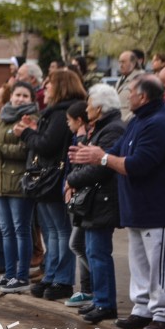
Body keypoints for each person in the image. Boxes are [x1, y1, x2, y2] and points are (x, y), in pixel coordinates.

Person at [69, 74, 165, 329]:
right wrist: (95, 155)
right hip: (137, 208)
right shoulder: (137, 121)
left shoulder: (159, 123)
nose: (127, 96)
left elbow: (136, 164)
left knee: (161, 267)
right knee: (140, 265)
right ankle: (143, 309)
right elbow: (117, 151)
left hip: (161, 211)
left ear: (143, 97)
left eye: (131, 92)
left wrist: (100, 158)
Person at [16, 69, 87, 301]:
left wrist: (27, 134)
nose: (44, 89)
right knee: (52, 232)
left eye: (49, 85)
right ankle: (52, 275)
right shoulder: (55, 112)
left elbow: (48, 144)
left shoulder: (61, 113)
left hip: (54, 178)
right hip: (48, 178)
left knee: (59, 231)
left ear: (60, 87)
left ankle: (62, 279)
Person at [66, 84, 125, 323]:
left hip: (104, 199)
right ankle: (100, 300)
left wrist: (72, 178)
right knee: (92, 250)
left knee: (98, 253)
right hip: (96, 200)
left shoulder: (113, 130)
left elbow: (100, 167)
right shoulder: (103, 128)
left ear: (99, 108)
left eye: (90, 104)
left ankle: (105, 303)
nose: (87, 108)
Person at [0, 81, 38, 293]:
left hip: (19, 182)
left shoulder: (31, 119)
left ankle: (21, 276)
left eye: (25, 96)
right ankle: (9, 273)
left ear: (31, 100)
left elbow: (25, 150)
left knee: (21, 230)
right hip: (0, 181)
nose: (20, 98)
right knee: (5, 231)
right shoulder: (3, 116)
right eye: (17, 94)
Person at [64, 101, 93, 308]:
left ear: (79, 120)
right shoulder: (79, 136)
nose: (67, 124)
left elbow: (80, 167)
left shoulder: (84, 138)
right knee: (79, 244)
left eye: (69, 120)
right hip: (77, 195)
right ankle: (87, 289)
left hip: (85, 197)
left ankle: (94, 286)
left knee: (77, 243)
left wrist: (70, 182)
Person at [115, 50, 145, 121]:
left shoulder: (141, 78)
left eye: (123, 62)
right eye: (119, 62)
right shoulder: (121, 79)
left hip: (129, 122)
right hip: (118, 122)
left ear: (133, 63)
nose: (120, 65)